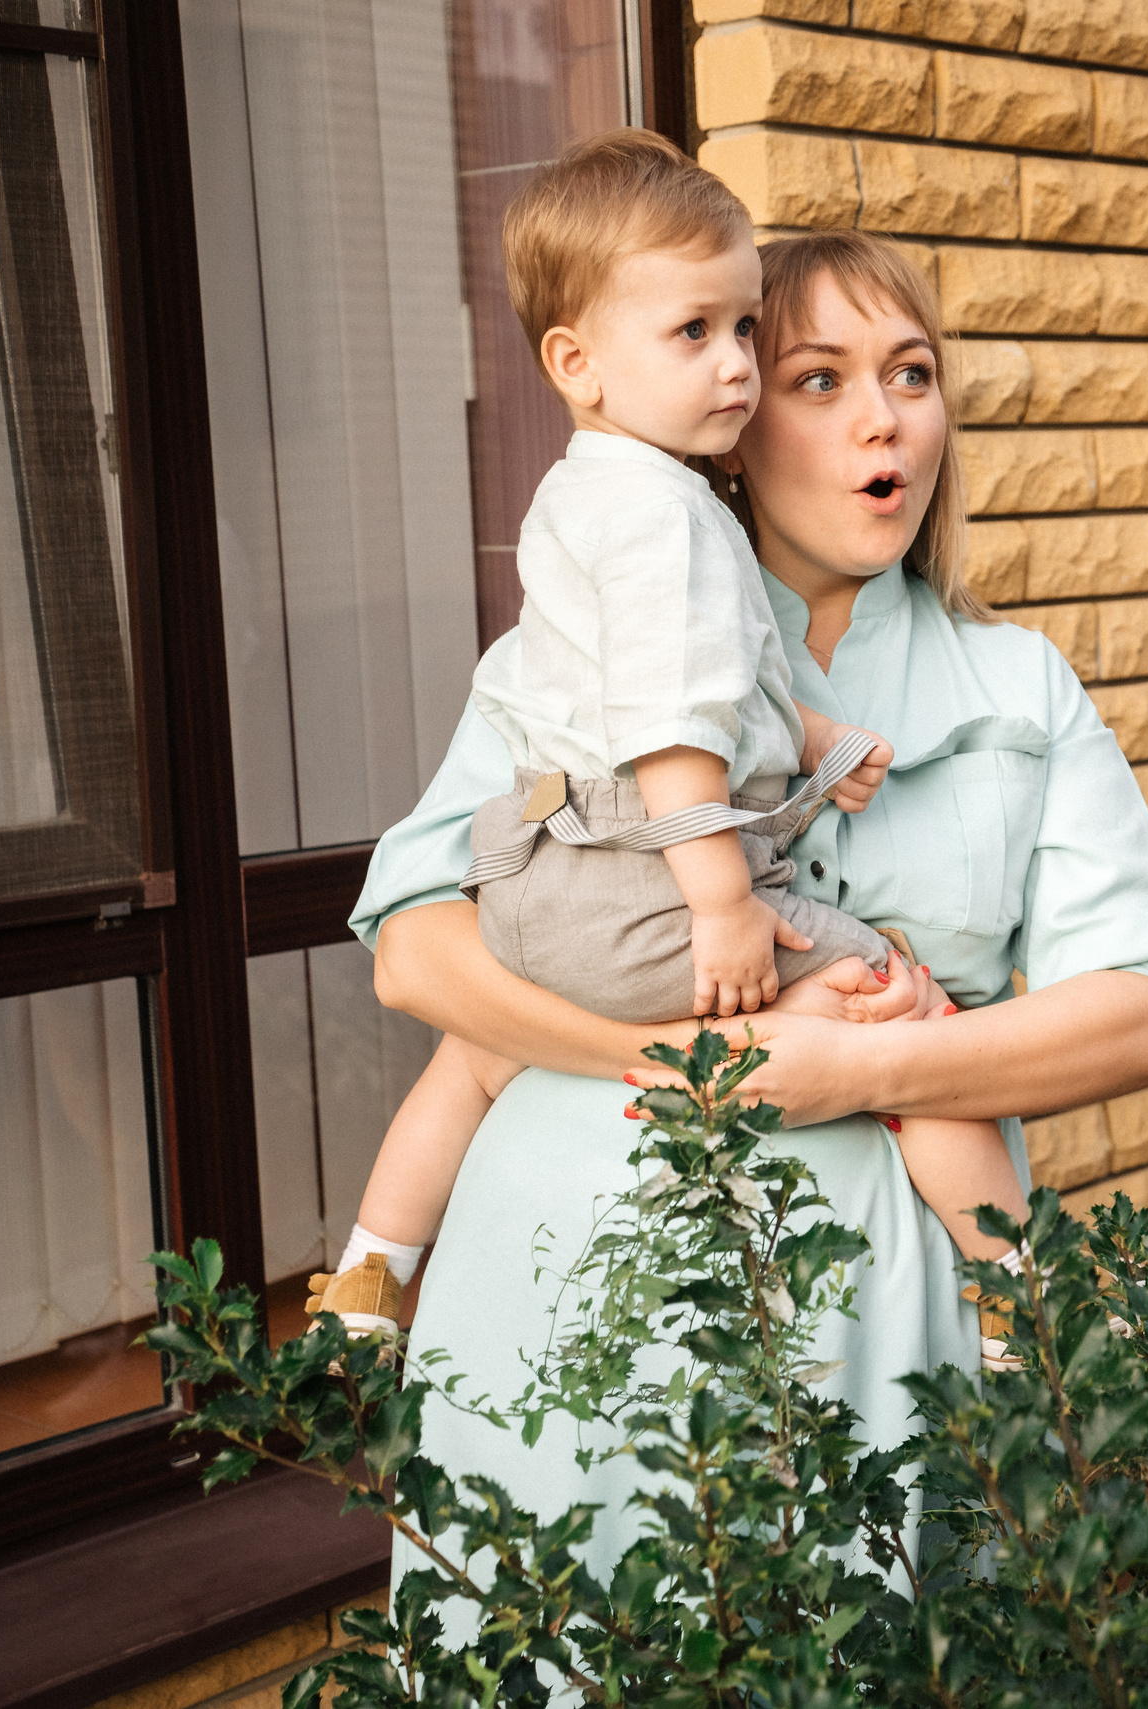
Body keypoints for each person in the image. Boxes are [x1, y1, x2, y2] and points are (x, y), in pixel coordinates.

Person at [349, 225, 1148, 1591]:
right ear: (736, 419)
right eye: (820, 378)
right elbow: (417, 952)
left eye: (912, 374)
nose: (886, 418)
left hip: (894, 1341)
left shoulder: (1019, 687)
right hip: (557, 1298)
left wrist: (859, 1069)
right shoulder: (570, 652)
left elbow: (1142, 1015)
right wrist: (681, 1061)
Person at [308, 132, 1026, 1340]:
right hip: (651, 884)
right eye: (693, 332)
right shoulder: (669, 519)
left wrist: (814, 737)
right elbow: (669, 725)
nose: (733, 362)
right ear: (576, 362)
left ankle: (370, 1277)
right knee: (903, 1011)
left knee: (471, 1056)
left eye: (742, 328)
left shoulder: (580, 495)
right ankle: (1017, 1297)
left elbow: (673, 682)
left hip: (536, 879)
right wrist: (723, 903)